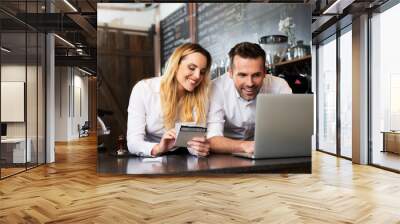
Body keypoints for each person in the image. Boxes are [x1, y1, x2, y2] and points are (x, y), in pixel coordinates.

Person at [127, 43, 212, 157]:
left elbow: (194, 142)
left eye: (202, 72)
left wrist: (198, 149)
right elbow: (133, 143)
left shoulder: (202, 96)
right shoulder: (144, 89)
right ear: (176, 65)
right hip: (152, 157)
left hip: (184, 158)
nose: (197, 76)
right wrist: (159, 148)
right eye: (191, 68)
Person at [207, 42, 292, 154]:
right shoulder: (216, 88)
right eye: (242, 75)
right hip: (226, 153)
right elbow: (212, 139)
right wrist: (245, 146)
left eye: (256, 75)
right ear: (230, 73)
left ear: (265, 73)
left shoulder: (279, 86)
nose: (250, 83)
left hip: (266, 151)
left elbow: (290, 129)